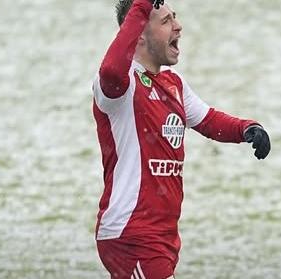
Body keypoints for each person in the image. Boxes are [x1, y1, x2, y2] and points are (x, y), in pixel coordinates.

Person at [92, 0, 270, 278]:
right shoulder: (121, 85)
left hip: (162, 234)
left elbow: (209, 120)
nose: (178, 26)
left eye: (174, 18)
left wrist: (247, 129)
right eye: (165, 22)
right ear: (138, 34)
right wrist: (140, 4)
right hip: (132, 232)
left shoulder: (173, 84)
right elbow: (110, 72)